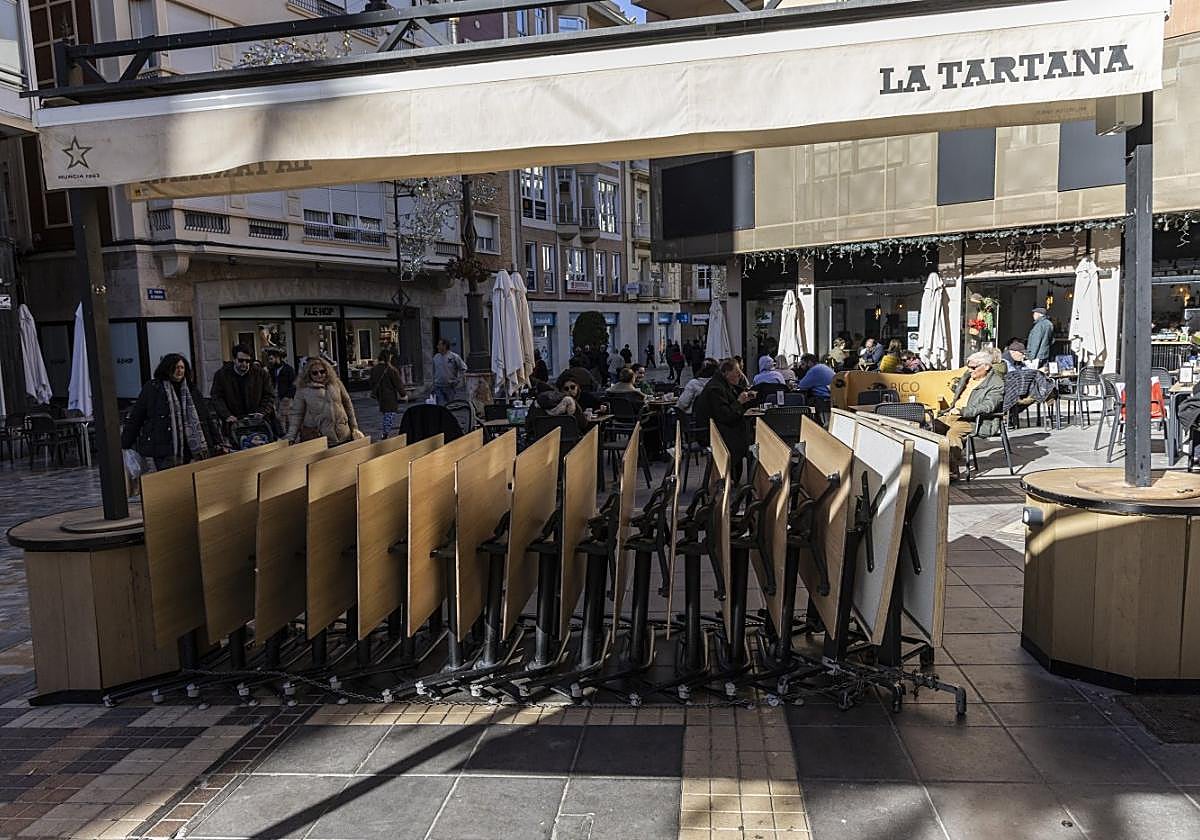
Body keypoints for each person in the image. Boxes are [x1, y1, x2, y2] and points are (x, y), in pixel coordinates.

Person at [122, 353, 216, 471]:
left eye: (182, 367)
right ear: (167, 368)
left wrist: (217, 441)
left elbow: (205, 416)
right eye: (176, 367)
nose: (179, 371)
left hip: (190, 448)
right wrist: (125, 443)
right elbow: (137, 417)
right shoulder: (153, 388)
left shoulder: (191, 390)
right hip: (163, 448)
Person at [934, 350, 1006, 476]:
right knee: (930, 427)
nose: (970, 370)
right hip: (953, 414)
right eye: (968, 367)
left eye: (973, 367)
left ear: (987, 366)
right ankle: (934, 466)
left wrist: (963, 411)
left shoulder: (996, 383)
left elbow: (988, 406)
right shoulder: (968, 376)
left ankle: (951, 471)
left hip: (976, 420)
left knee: (954, 433)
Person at [694, 359, 756, 481]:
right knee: (750, 439)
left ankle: (738, 476)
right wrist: (739, 402)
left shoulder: (721, 384)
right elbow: (726, 415)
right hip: (712, 433)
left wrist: (746, 398)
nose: (740, 375)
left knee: (749, 434)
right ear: (726, 372)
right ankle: (742, 478)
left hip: (719, 428)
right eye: (737, 372)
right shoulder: (715, 388)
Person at [287, 357, 362, 446]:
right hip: (320, 438)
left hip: (344, 435)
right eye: (315, 373)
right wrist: (291, 437)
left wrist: (354, 428)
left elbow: (348, 405)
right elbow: (297, 414)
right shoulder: (303, 390)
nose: (319, 375)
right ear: (308, 374)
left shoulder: (336, 383)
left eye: (322, 371)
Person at [209, 343, 276, 428]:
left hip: (258, 422)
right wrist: (226, 415)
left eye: (247, 361)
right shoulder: (222, 375)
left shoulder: (261, 374)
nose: (244, 364)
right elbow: (216, 397)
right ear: (234, 359)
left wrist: (262, 412)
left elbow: (269, 395)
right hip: (233, 422)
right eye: (241, 360)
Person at [368, 350, 407, 439]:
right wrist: (403, 394)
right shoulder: (390, 369)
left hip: (380, 396)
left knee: (386, 413)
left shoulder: (374, 369)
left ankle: (386, 431)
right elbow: (398, 383)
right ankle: (385, 432)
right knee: (389, 413)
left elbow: (371, 382)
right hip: (390, 396)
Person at [264, 348, 296, 435]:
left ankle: (288, 434)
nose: (270, 361)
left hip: (285, 397)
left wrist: (288, 396)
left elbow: (294, 384)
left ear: (277, 358)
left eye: (271, 359)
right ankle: (283, 434)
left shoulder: (288, 369)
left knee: (285, 417)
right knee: (278, 417)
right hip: (275, 397)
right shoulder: (271, 370)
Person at [432, 338, 466, 405]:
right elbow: (433, 370)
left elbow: (463, 368)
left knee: (450, 405)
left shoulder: (454, 356)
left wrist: (458, 380)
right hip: (438, 385)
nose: (437, 346)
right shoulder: (436, 357)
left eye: (439, 345)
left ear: (444, 346)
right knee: (440, 405)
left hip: (449, 386)